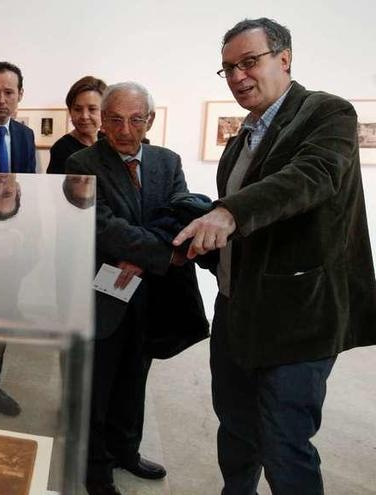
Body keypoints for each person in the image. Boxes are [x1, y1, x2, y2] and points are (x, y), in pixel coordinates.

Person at [172, 18, 376, 495]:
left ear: (284, 58)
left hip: (297, 317)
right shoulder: (243, 134)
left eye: (249, 62)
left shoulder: (328, 113)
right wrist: (202, 245)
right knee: (237, 431)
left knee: (286, 444)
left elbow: (311, 177)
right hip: (236, 309)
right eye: (228, 69)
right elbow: (253, 230)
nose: (238, 76)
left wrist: (227, 214)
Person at [66, 82, 202, 495]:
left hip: (152, 292)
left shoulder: (167, 161)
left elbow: (179, 211)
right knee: (98, 384)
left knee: (135, 377)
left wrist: (141, 255)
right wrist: (157, 250)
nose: (124, 129)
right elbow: (100, 226)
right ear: (102, 120)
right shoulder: (81, 162)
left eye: (135, 119)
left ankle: (127, 450)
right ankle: (96, 469)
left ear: (151, 121)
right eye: (115, 119)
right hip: (101, 292)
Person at [47, 76, 107, 174]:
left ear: (105, 111)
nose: (84, 116)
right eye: (77, 109)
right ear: (70, 111)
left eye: (92, 109)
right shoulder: (61, 148)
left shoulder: (111, 142)